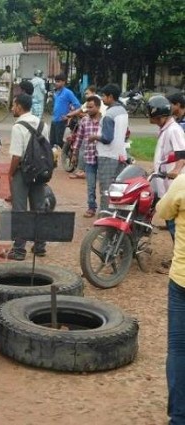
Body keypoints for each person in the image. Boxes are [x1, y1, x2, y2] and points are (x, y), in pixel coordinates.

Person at [0, 93, 50, 261]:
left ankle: (19, 249)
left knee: (19, 210)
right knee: (39, 208)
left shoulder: (18, 126)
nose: (12, 108)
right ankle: (40, 245)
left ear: (20, 107)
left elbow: (17, 156)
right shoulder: (43, 124)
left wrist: (10, 172)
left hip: (23, 171)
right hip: (40, 171)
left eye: (14, 105)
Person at [154, 173, 185, 425]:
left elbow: (162, 210)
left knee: (178, 350)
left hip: (182, 280)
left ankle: (179, 417)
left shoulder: (182, 182)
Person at [147, 96, 185, 274]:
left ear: (159, 115)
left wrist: (176, 169)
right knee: (171, 223)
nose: (152, 121)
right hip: (164, 182)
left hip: (173, 184)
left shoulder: (174, 130)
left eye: (153, 118)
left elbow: (182, 154)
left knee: (175, 226)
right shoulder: (166, 128)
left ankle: (179, 262)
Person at [87, 83, 128, 212]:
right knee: (117, 188)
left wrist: (94, 137)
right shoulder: (123, 111)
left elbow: (107, 138)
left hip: (107, 155)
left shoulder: (109, 114)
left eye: (104, 96)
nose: (102, 99)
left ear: (110, 97)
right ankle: (117, 214)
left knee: (106, 189)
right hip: (120, 154)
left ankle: (105, 217)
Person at [71, 95, 102, 217]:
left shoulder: (104, 120)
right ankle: (91, 207)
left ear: (98, 107)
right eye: (87, 107)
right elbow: (79, 138)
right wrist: (74, 153)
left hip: (102, 157)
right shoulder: (84, 121)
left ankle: (105, 209)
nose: (88, 110)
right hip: (89, 157)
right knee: (90, 185)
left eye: (91, 107)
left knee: (104, 185)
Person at [49, 73, 81, 149]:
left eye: (58, 81)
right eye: (55, 81)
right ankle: (54, 159)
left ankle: (63, 158)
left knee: (59, 142)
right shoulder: (56, 93)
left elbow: (78, 105)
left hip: (61, 121)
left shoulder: (68, 92)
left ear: (64, 82)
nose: (56, 83)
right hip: (54, 120)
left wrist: (69, 116)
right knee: (52, 142)